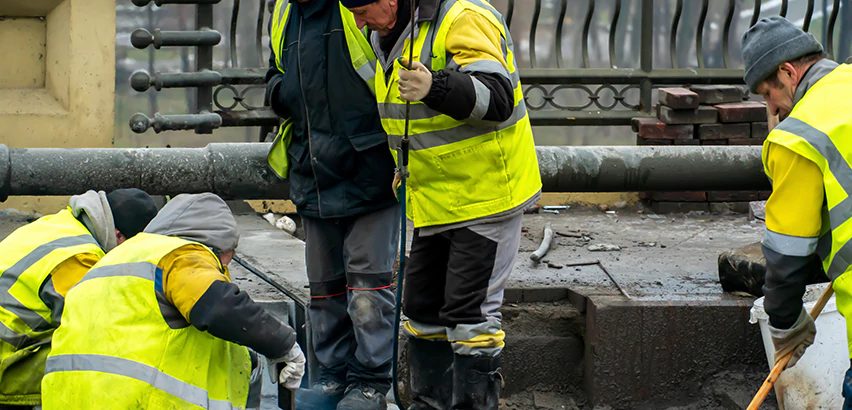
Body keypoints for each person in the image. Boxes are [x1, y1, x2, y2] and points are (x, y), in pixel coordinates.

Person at [339, 0, 543, 407]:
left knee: (470, 316)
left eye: (362, 11)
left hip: (484, 195)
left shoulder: (464, 18)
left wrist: (436, 87)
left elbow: (499, 99)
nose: (358, 22)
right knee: (423, 311)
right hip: (435, 198)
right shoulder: (387, 31)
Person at [41, 193, 305, 409]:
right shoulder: (180, 254)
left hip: (64, 398)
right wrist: (282, 344)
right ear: (217, 246)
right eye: (226, 260)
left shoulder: (114, 258)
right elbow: (219, 305)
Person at [265, 0, 400, 408]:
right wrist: (283, 91)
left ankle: (371, 382)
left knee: (368, 286)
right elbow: (275, 76)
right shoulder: (285, 13)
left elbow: (394, 70)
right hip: (314, 170)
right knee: (324, 289)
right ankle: (332, 379)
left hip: (370, 168)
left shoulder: (356, 7)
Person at [741, 16, 852, 407]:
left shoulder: (799, 136)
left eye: (767, 93)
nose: (771, 106)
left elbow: (787, 254)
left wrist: (785, 322)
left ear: (788, 72)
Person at [0, 188, 157, 410]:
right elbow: (99, 329)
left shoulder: (59, 222)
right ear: (119, 235)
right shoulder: (79, 259)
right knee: (99, 356)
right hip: (6, 365)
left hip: (6, 341)